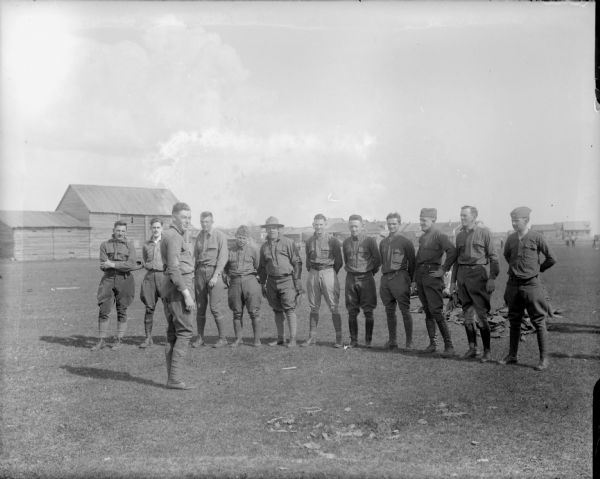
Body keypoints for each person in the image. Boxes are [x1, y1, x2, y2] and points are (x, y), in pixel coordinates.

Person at [499, 207, 557, 371]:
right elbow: (507, 256)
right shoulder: (510, 238)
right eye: (512, 220)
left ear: (526, 220)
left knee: (538, 321)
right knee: (514, 320)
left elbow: (552, 258)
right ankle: (512, 355)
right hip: (513, 285)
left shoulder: (537, 237)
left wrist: (538, 269)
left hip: (532, 285)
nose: (513, 223)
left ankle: (543, 358)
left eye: (516, 220)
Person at [450, 205, 499, 362]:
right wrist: (452, 282)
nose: (462, 218)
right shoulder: (459, 236)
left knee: (481, 315)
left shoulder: (484, 232)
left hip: (478, 275)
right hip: (462, 277)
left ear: (474, 217)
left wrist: (492, 278)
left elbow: (494, 257)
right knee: (467, 315)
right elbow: (456, 261)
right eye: (461, 215)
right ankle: (472, 348)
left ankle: (487, 351)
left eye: (465, 215)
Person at [161, 202, 197, 389]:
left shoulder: (170, 235)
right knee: (184, 333)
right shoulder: (174, 236)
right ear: (173, 217)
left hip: (169, 289)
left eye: (189, 218)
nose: (187, 221)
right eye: (184, 217)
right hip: (178, 289)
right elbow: (174, 268)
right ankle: (174, 379)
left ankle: (172, 378)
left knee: (172, 334)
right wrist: (187, 295)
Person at [415, 208, 457, 356]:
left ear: (433, 220)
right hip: (421, 276)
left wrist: (444, 269)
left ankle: (449, 346)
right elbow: (418, 258)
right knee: (427, 310)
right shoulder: (423, 237)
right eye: (420, 220)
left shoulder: (440, 235)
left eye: (424, 220)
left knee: (436, 311)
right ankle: (433, 344)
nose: (421, 223)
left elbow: (452, 251)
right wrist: (415, 279)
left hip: (433, 276)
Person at [91, 220, 138, 351]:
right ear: (113, 230)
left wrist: (112, 264)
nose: (120, 233)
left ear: (126, 232)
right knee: (104, 309)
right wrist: (118, 265)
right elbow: (102, 264)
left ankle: (119, 340)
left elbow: (131, 264)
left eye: (123, 231)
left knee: (122, 309)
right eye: (118, 230)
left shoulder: (130, 246)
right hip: (108, 279)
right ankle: (101, 340)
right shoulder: (105, 245)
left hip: (125, 279)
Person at [257, 216, 303, 347]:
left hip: (287, 280)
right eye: (269, 228)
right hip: (271, 282)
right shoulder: (264, 247)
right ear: (266, 230)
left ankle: (293, 339)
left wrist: (297, 282)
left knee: (289, 309)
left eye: (274, 228)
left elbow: (297, 262)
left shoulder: (288, 242)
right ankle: (280, 338)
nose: (271, 230)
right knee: (277, 310)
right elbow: (262, 267)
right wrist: (262, 285)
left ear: (278, 229)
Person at [303, 214, 344, 348]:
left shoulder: (333, 241)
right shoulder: (309, 241)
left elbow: (339, 261)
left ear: (325, 224)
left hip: (328, 271)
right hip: (313, 272)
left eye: (321, 224)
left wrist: (330, 273)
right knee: (313, 306)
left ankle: (339, 338)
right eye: (316, 224)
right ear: (313, 225)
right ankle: (312, 337)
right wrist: (314, 272)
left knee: (333, 306)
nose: (319, 227)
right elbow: (308, 261)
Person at [342, 214, 381, 348]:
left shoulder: (370, 241)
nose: (354, 229)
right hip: (351, 278)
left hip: (366, 278)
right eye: (351, 226)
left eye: (356, 226)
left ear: (362, 226)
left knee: (368, 311)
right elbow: (345, 260)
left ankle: (368, 341)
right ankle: (353, 340)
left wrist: (369, 272)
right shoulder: (346, 242)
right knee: (352, 310)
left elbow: (377, 260)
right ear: (348, 227)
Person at [379, 212, 416, 350]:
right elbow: (382, 261)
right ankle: (392, 341)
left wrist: (412, 281)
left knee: (404, 310)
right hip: (386, 279)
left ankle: (409, 342)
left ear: (399, 224)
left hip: (400, 277)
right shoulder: (383, 242)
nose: (391, 226)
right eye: (389, 224)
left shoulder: (405, 242)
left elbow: (412, 262)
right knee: (389, 311)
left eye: (394, 223)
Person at [192, 211, 229, 348]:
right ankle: (200, 338)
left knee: (215, 308)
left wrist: (216, 275)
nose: (204, 224)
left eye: (207, 221)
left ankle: (223, 338)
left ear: (212, 222)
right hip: (200, 273)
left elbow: (223, 257)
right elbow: (195, 256)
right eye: (202, 222)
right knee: (200, 308)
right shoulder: (199, 236)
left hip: (214, 272)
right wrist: (193, 273)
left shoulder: (220, 236)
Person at [224, 225, 262, 347]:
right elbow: (225, 268)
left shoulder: (254, 250)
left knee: (254, 312)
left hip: (249, 281)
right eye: (239, 237)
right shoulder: (230, 250)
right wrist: (228, 279)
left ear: (248, 238)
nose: (241, 240)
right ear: (236, 237)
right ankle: (238, 339)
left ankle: (257, 340)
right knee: (237, 312)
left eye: (244, 238)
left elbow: (258, 266)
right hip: (235, 283)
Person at [139, 218, 165, 348]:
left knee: (169, 308)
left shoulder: (166, 242)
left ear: (162, 228)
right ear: (151, 228)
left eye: (158, 227)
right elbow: (145, 259)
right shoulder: (146, 244)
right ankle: (148, 338)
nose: (156, 230)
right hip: (150, 278)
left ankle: (171, 338)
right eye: (153, 227)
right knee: (149, 308)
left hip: (164, 277)